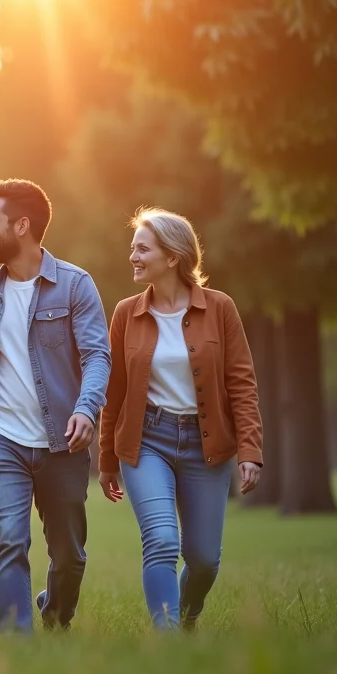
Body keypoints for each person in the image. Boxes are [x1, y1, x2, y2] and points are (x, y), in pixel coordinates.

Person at [0, 179, 111, 634]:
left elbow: (97, 355)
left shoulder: (75, 285)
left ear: (21, 226)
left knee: (69, 555)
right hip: (0, 440)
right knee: (8, 541)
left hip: (62, 439)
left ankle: (55, 616)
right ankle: (17, 641)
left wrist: (86, 409)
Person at [98, 206, 263, 630]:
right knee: (161, 540)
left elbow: (241, 383)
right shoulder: (126, 313)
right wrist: (107, 459)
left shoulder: (220, 308)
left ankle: (186, 618)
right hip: (146, 441)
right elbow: (114, 392)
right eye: (133, 248)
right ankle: (167, 636)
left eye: (142, 249)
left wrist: (250, 450)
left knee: (204, 559)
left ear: (172, 256)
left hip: (206, 446)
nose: (133, 257)